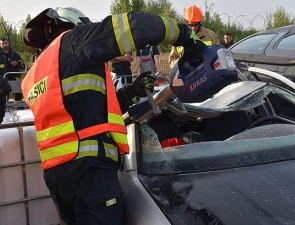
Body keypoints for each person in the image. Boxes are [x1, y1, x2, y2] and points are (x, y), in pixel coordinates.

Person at [21, 6, 206, 225]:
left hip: (58, 177)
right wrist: (184, 35)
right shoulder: (74, 41)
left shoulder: (35, 75)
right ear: (75, 25)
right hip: (91, 170)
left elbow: (86, 110)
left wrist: (132, 91)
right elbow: (131, 27)